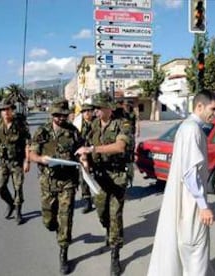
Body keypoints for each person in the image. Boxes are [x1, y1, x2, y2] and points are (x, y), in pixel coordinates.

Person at [147, 90, 215, 276]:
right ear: (199, 106)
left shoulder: (189, 128)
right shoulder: (191, 129)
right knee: (196, 255)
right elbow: (190, 174)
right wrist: (203, 206)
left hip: (188, 203)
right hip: (192, 205)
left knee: (192, 254)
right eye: (213, 109)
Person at [76, 93, 131, 276]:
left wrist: (92, 149)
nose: (96, 111)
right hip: (99, 177)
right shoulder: (92, 125)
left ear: (110, 108)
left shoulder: (122, 124)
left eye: (99, 108)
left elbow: (120, 147)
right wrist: (85, 158)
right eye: (95, 108)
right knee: (102, 213)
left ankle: (115, 255)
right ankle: (108, 229)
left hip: (116, 176)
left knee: (115, 215)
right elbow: (86, 144)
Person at [29, 98, 82, 275]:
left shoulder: (73, 131)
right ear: (52, 114)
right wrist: (40, 159)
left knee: (66, 218)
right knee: (48, 220)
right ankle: (55, 228)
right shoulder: (42, 131)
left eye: (63, 115)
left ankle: (63, 253)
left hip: (68, 181)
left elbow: (80, 152)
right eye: (57, 115)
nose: (60, 118)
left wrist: (84, 160)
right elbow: (32, 154)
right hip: (48, 182)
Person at [0, 98, 31, 225]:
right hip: (3, 162)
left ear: (12, 110)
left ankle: (18, 211)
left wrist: (27, 161)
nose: (6, 112)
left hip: (17, 161)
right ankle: (10, 204)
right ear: (0, 112)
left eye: (8, 109)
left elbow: (28, 143)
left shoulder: (20, 125)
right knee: (0, 187)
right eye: (3, 110)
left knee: (18, 187)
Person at [79, 103, 95, 213]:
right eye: (84, 111)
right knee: (84, 178)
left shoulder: (97, 123)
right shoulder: (78, 124)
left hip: (96, 153)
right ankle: (87, 201)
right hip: (83, 155)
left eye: (89, 110)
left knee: (100, 176)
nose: (87, 113)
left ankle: (101, 197)